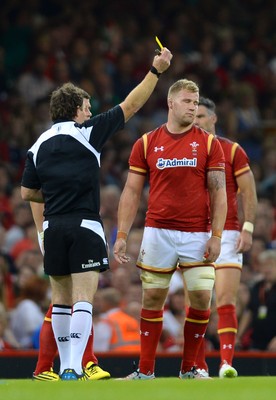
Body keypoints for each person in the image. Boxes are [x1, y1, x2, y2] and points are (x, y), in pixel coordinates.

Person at [20, 47, 172, 381]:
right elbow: (131, 105)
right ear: (76, 109)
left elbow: (27, 193)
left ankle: (64, 366)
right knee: (83, 299)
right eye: (87, 108)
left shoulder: (38, 145)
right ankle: (75, 365)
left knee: (59, 300)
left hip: (53, 227)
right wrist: (155, 71)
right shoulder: (88, 132)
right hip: (85, 224)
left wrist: (56, 193)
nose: (90, 113)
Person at [113, 78, 227, 379]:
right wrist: (122, 235)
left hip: (197, 233)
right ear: (171, 103)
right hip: (157, 231)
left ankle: (190, 367)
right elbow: (131, 192)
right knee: (152, 299)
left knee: (202, 299)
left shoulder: (209, 143)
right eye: (188, 101)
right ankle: (146, 371)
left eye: (196, 102)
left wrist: (217, 235)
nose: (193, 106)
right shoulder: (147, 142)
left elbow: (219, 192)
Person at [194, 97, 257, 378]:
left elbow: (249, 190)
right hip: (192, 232)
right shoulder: (186, 151)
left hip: (229, 230)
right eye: (193, 117)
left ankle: (226, 362)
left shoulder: (232, 150)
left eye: (201, 117)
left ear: (214, 119)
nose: (196, 122)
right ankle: (198, 365)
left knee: (225, 299)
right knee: (195, 302)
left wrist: (248, 226)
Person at [29, 202, 111, 381]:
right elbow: (33, 195)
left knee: (74, 302)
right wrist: (40, 232)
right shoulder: (46, 175)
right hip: (61, 226)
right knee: (72, 301)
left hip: (63, 226)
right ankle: (75, 364)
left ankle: (81, 363)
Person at [237, 249, 276, 352]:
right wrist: (239, 336)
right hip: (257, 342)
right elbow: (249, 312)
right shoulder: (257, 287)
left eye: (271, 265)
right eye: (264, 266)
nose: (267, 269)